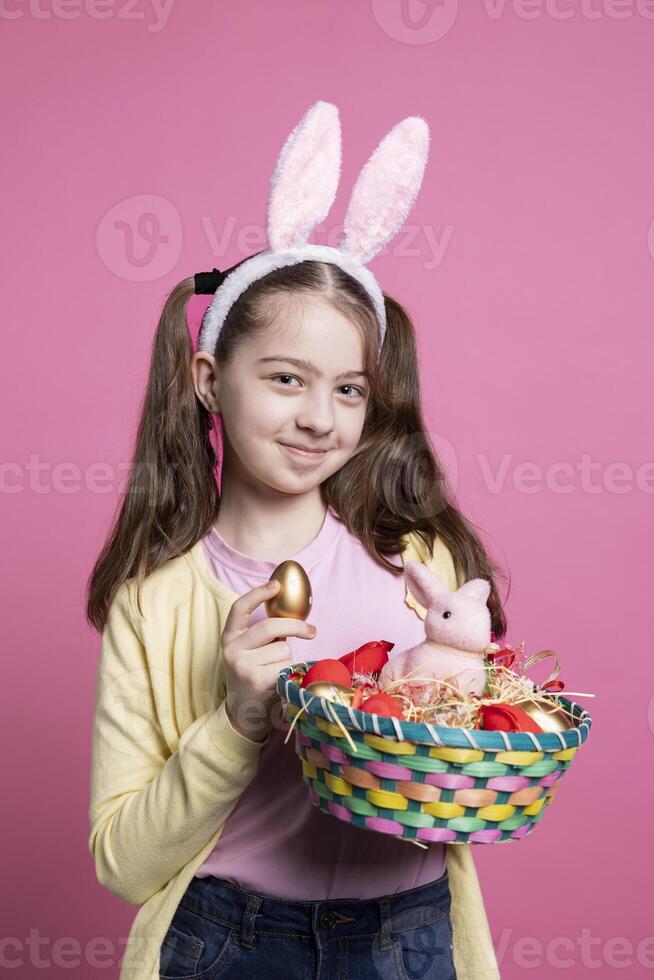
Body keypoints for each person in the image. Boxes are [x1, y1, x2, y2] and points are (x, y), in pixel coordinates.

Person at [86, 102, 505, 980]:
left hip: (409, 934)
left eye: (349, 390)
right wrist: (237, 716)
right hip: (228, 940)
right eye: (285, 378)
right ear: (210, 378)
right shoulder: (154, 601)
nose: (319, 418)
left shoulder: (419, 566)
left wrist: (460, 719)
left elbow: (465, 764)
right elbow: (123, 867)